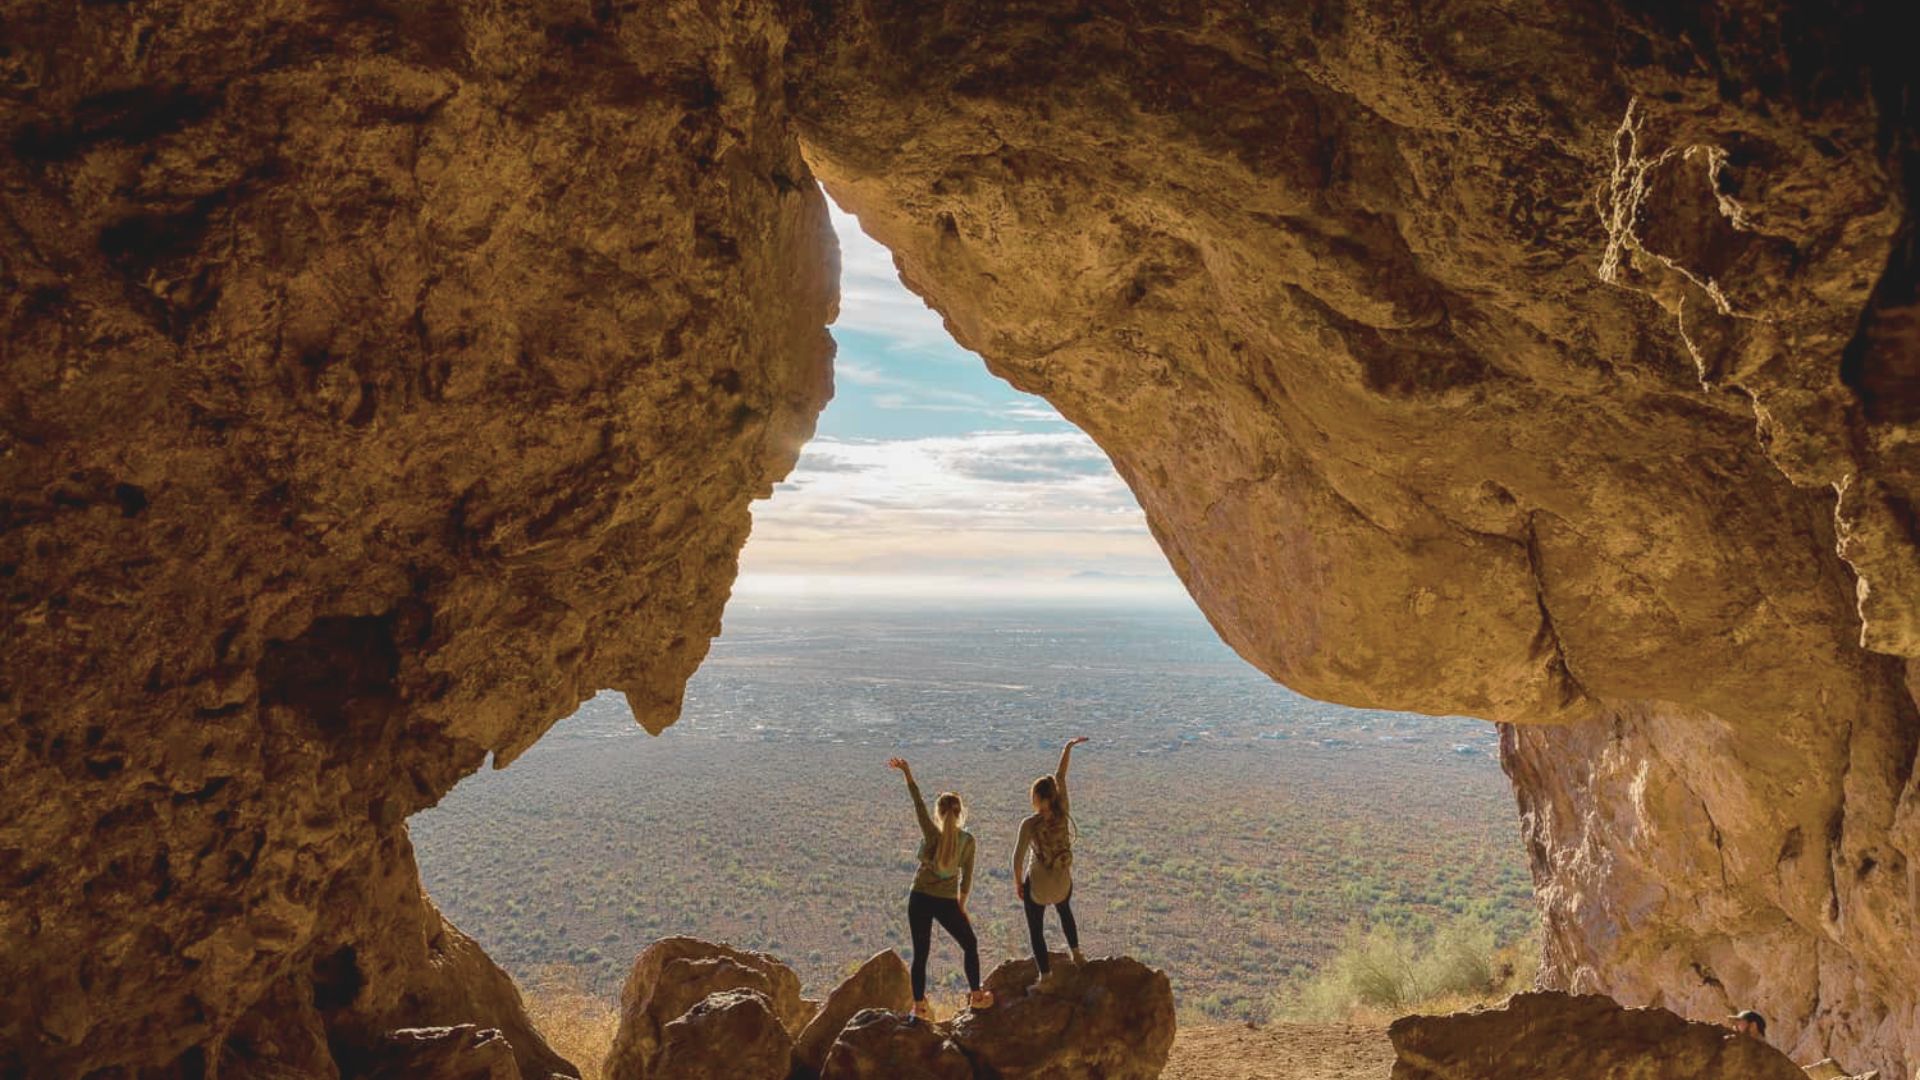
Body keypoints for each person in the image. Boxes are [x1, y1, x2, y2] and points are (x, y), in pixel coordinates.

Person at [887, 756, 992, 1019]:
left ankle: (919, 1007)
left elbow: (918, 804)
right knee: (970, 944)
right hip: (946, 901)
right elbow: (967, 877)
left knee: (920, 953)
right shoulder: (968, 840)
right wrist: (962, 905)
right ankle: (976, 996)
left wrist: (908, 774)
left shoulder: (931, 834)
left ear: (939, 812)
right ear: (960, 812)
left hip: (919, 896)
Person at [1013, 736, 1089, 980]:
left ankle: (1045, 977)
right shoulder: (1063, 811)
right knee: (1065, 910)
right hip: (1062, 885)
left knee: (1036, 930)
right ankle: (1076, 954)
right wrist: (1067, 748)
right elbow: (1061, 776)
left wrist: (1018, 884)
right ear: (1054, 796)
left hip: (1038, 890)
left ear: (1035, 797)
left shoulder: (1029, 824)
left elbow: (1017, 859)